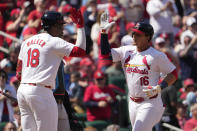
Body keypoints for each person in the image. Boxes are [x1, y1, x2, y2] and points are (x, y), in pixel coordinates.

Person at [99, 12, 177, 131]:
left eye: (139, 35)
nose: (134, 37)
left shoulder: (157, 55)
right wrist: (103, 33)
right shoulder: (126, 51)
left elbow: (173, 73)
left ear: (148, 37)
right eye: (133, 33)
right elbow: (105, 54)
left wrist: (160, 87)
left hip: (150, 102)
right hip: (133, 102)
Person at [16, 8, 86, 131]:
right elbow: (80, 51)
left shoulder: (26, 42)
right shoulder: (53, 41)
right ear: (54, 26)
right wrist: (80, 26)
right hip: (41, 92)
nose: (62, 29)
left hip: (23, 91)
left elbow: (18, 73)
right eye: (60, 25)